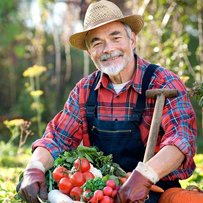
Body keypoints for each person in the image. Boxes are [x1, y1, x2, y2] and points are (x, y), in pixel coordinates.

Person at [18, 0, 197, 203]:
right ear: (89, 52)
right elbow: (58, 138)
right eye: (97, 42)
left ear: (133, 40)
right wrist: (34, 168)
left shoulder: (164, 82)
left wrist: (146, 175)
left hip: (155, 190)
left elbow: (181, 139)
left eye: (115, 37)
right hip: (103, 194)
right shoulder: (85, 90)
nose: (108, 49)